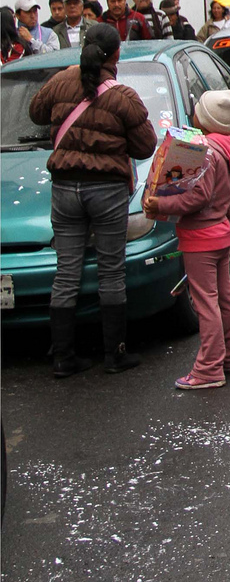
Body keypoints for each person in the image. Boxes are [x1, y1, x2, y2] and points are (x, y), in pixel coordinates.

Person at [29, 22, 158, 375]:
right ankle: (115, 354)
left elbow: (36, 113)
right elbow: (146, 146)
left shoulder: (61, 81)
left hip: (65, 188)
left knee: (66, 272)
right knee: (111, 271)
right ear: (116, 54)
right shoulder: (123, 97)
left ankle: (63, 357)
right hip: (107, 191)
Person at [144, 87, 230, 390]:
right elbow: (228, 196)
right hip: (221, 232)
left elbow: (196, 198)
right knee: (224, 298)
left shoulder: (204, 152)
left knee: (206, 303)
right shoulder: (229, 149)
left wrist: (159, 205)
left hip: (200, 236)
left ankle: (209, 369)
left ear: (204, 119)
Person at [201, 0, 230, 76]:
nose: (216, 10)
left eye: (218, 8)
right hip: (216, 58)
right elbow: (200, 39)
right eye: (214, 8)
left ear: (223, 10)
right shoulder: (208, 25)